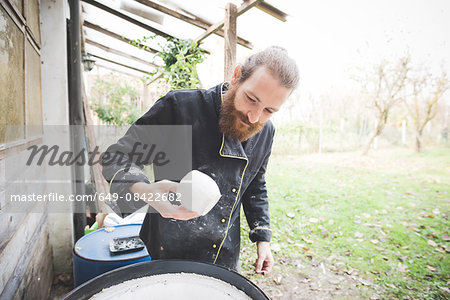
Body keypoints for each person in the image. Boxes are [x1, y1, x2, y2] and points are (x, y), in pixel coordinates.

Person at [101, 46, 299, 275]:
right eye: (251, 99)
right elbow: (117, 157)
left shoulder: (266, 132)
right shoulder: (179, 108)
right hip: (165, 250)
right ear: (236, 76)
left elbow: (255, 184)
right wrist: (146, 191)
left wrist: (262, 238)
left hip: (223, 254)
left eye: (269, 111)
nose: (255, 117)